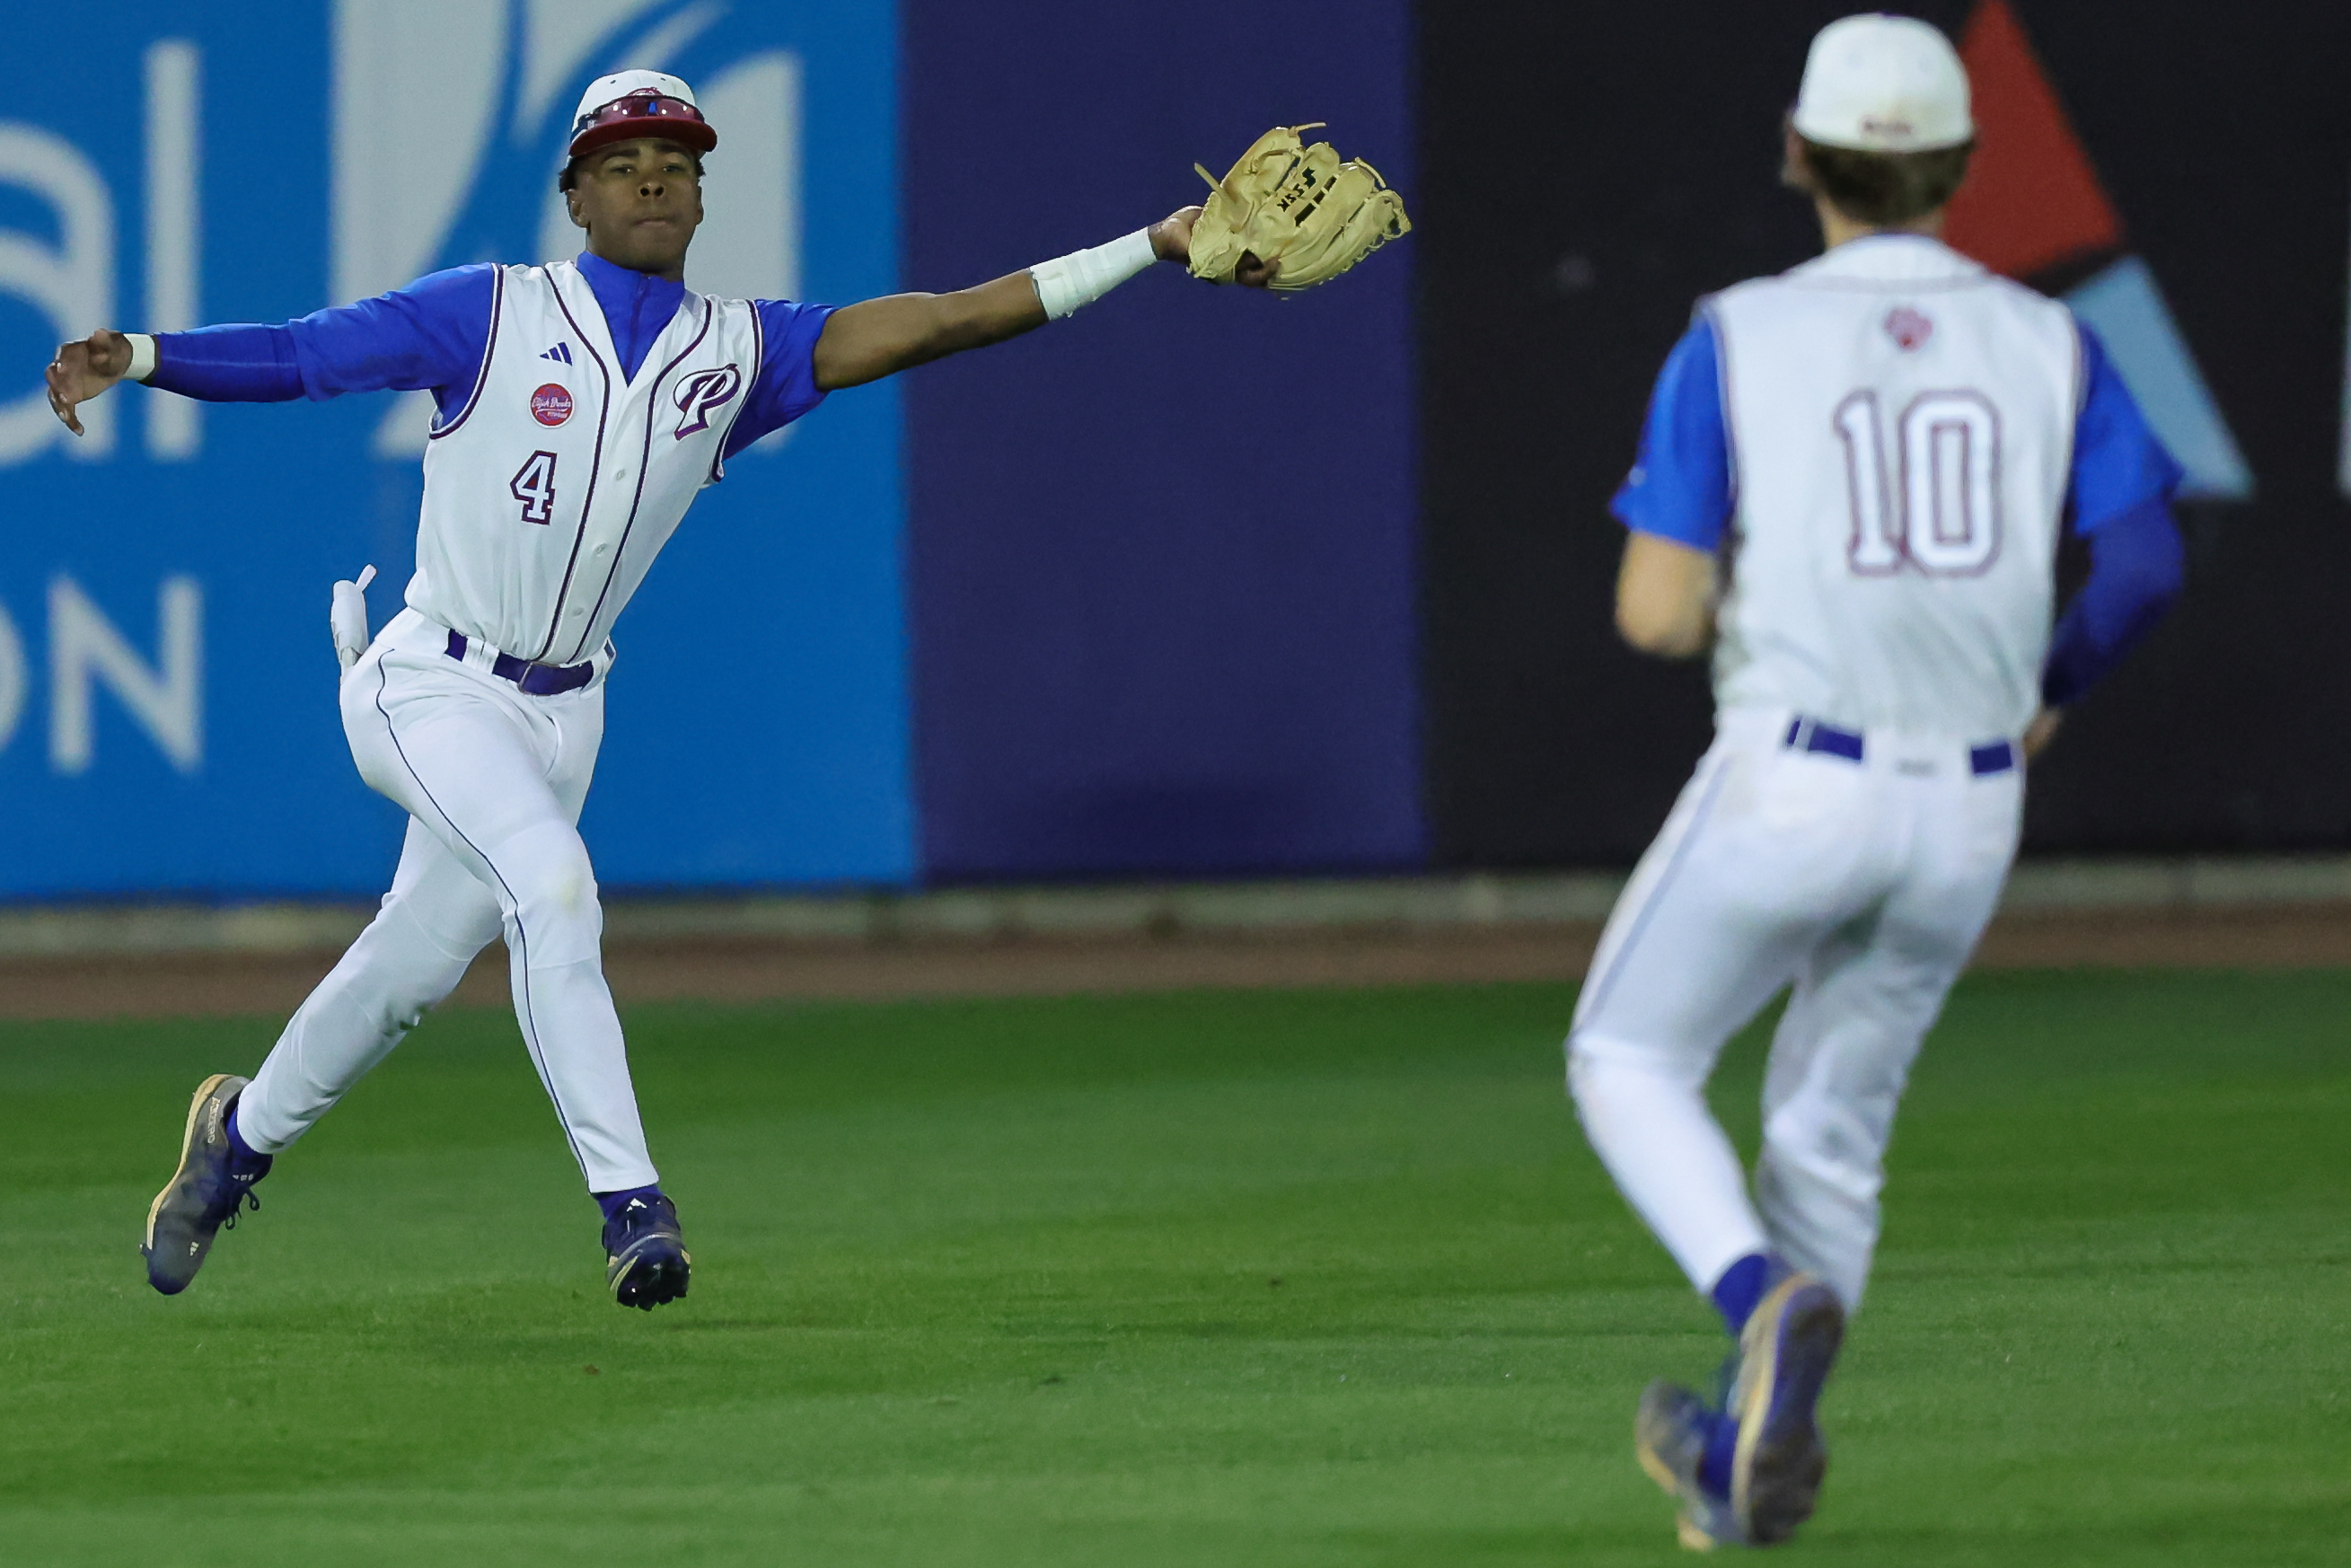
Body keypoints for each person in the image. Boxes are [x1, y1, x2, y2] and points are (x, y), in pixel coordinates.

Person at [45, 70, 1273, 1312]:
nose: (651, 176)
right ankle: (633, 1208)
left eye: (677, 161)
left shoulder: (739, 352)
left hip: (565, 713)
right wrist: (143, 355)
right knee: (554, 885)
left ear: (698, 196)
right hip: (428, 683)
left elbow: (948, 319)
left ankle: (234, 1140)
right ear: (573, 195)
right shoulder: (486, 312)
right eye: (624, 158)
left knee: (403, 974)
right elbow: (305, 355)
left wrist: (1152, 244)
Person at [1567, 16, 2184, 1548]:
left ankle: (1758, 1300)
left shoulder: (1738, 332)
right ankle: (1743, 1459)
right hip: (1969, 803)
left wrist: (1712, 595)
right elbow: (2150, 560)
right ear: (1961, 166)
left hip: (1798, 774)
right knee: (1829, 1130)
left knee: (1625, 1061)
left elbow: (1654, 610)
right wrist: (2044, 688)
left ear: (1797, 150)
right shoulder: (2051, 338)